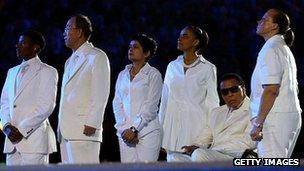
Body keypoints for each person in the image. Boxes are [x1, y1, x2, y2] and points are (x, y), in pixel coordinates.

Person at [159, 25, 219, 161]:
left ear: (196, 42)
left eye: (185, 36)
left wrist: (206, 137)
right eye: (180, 36)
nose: (179, 39)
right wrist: (160, 133)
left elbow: (213, 103)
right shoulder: (172, 66)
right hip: (172, 132)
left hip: (196, 130)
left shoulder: (208, 68)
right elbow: (164, 100)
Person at [58, 14, 110, 164]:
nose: (64, 33)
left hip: (84, 130)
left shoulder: (97, 56)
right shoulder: (69, 61)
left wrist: (93, 122)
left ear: (79, 32)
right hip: (66, 131)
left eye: (68, 28)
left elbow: (101, 92)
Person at [168, 73, 256, 162]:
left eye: (234, 89)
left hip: (235, 157)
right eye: (225, 92)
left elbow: (248, 143)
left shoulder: (255, 110)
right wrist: (195, 146)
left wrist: (212, 150)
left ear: (243, 89)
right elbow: (205, 136)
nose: (230, 94)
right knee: (174, 158)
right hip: (212, 154)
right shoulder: (217, 112)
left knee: (199, 155)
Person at [0, 30, 57, 165]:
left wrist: (22, 130)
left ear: (35, 48)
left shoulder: (48, 71)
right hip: (11, 142)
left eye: (22, 43)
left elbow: (47, 106)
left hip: (34, 142)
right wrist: (7, 127)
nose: (17, 46)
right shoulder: (11, 71)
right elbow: (4, 103)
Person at [250, 9, 302, 158]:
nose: (259, 22)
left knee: (272, 166)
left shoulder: (272, 49)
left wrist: (258, 123)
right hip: (283, 115)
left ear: (275, 27)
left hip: (275, 118)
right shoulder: (281, 47)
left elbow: (272, 89)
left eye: (265, 19)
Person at [113, 34, 162, 162]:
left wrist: (134, 129)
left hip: (148, 132)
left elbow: (151, 107)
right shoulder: (122, 75)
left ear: (146, 53)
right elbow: (117, 103)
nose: (131, 49)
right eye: (130, 47)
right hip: (125, 134)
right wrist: (124, 129)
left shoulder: (154, 74)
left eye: (135, 47)